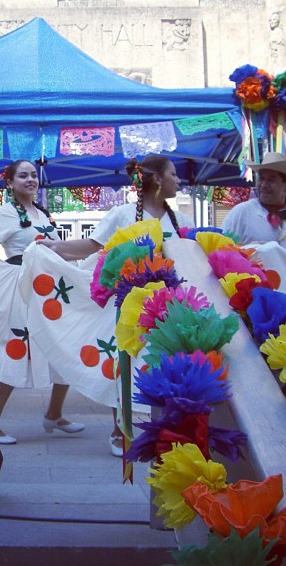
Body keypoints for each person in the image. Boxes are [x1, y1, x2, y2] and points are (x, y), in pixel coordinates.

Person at [38, 154, 195, 455]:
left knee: (161, 363)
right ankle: (118, 431)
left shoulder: (181, 221)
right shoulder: (122, 215)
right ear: (159, 180)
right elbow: (93, 246)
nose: (179, 180)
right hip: (130, 304)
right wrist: (54, 247)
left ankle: (164, 429)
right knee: (122, 363)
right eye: (174, 174)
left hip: (170, 306)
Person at [0, 160, 84, 444]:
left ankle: (54, 414)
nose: (30, 180)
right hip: (24, 292)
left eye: (34, 175)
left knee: (66, 346)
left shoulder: (42, 213)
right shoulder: (6, 213)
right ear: (9, 183)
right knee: (17, 352)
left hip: (50, 293)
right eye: (22, 176)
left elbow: (56, 253)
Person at [220, 152, 286, 299]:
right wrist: (248, 251)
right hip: (252, 298)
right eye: (261, 178)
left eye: (272, 180)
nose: (264, 185)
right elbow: (221, 253)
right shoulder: (242, 212)